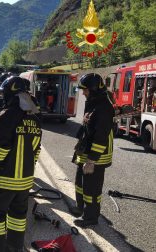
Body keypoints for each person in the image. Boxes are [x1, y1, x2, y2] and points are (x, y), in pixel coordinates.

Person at [0, 76, 42, 252]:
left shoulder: (6, 115)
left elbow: (0, 147)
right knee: (17, 218)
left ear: (10, 94)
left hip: (3, 180)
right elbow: (36, 151)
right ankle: (14, 249)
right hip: (25, 181)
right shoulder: (35, 118)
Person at [70, 73, 114, 228]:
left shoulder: (104, 107)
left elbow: (100, 136)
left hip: (96, 156)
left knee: (91, 190)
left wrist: (91, 160)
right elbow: (88, 128)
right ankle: (80, 208)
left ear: (94, 89)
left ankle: (90, 218)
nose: (83, 93)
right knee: (80, 184)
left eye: (86, 90)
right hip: (86, 152)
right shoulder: (93, 102)